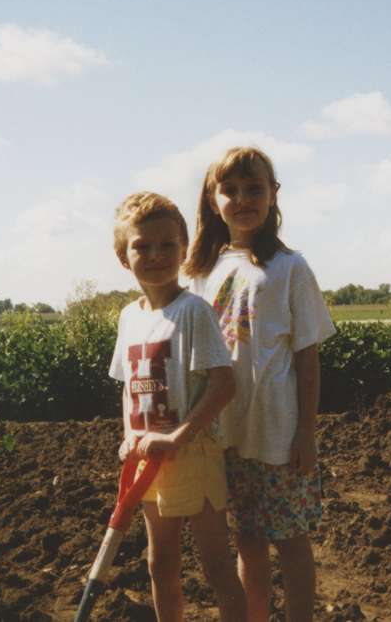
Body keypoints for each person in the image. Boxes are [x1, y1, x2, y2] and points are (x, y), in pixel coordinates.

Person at [184, 147, 336, 622]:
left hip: (278, 432)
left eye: (255, 189)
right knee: (247, 538)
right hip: (224, 431)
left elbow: (307, 356)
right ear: (213, 200)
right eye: (230, 189)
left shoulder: (290, 267)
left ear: (274, 195)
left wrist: (307, 430)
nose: (243, 198)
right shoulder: (201, 273)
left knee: (290, 540)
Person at [109, 191, 247, 622]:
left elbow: (224, 385)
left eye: (168, 245)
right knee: (159, 562)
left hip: (194, 453)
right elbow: (129, 386)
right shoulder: (129, 317)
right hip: (151, 460)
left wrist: (178, 435)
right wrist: (131, 437)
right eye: (142, 246)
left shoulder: (193, 312)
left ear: (184, 250)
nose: (156, 255)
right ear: (122, 255)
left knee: (215, 564)